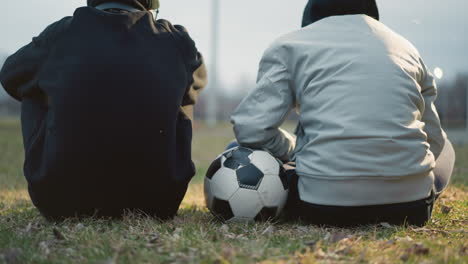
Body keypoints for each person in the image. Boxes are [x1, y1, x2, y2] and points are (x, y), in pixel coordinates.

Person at [231, 0, 455, 226]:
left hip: (323, 206)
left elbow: (250, 129)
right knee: (447, 147)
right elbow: (433, 140)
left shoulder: (290, 45)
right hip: (411, 208)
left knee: (236, 149)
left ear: (310, 19)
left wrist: (291, 150)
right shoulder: (406, 48)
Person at [0, 0, 207, 220]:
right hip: (158, 203)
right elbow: (198, 79)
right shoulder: (177, 41)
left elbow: (10, 76)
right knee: (185, 90)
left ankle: (53, 173)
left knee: (33, 83)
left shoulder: (61, 35)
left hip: (59, 202)